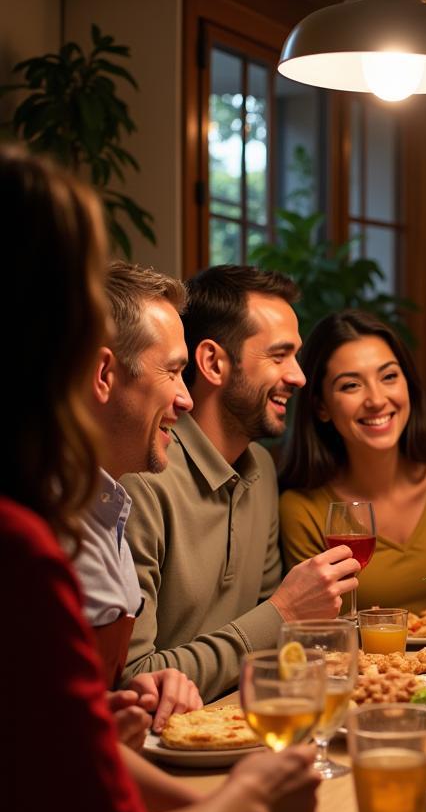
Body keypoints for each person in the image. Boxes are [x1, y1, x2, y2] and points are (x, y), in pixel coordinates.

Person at [1, 144, 323, 812]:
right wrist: (251, 804)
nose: (180, 401)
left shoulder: (80, 507)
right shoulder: (21, 550)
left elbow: (81, 747)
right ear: (82, 356)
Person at [121, 266, 361, 701]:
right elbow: (135, 679)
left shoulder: (261, 470)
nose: (299, 377)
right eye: (278, 356)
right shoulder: (142, 478)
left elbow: (271, 641)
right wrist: (284, 613)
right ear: (214, 362)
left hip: (246, 720)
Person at [74, 261, 202, 746]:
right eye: (172, 371)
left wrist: (137, 691)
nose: (186, 399)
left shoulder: (110, 506)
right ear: (105, 374)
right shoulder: (41, 525)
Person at [278, 310, 426, 610]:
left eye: (389, 377)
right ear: (321, 406)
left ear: (408, 386)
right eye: (351, 385)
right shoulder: (302, 509)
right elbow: (321, 633)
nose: (376, 400)